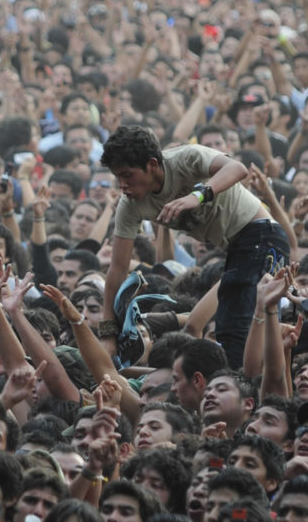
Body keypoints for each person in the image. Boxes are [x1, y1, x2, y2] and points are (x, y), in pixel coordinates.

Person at [101, 126, 289, 368]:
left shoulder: (185, 159)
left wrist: (198, 196)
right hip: (237, 252)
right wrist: (107, 334)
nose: (122, 186)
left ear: (152, 164)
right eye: (118, 178)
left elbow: (237, 169)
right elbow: (117, 269)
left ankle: (240, 391)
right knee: (195, 326)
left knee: (234, 332)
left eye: (127, 176)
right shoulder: (131, 204)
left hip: (263, 237)